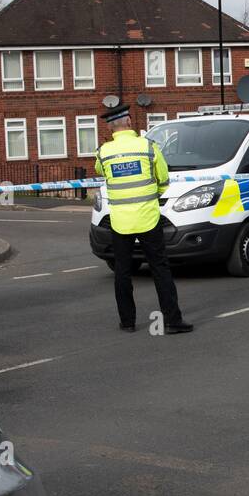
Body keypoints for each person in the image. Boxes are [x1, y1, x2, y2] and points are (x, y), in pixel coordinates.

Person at [94, 107, 192, 334]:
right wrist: (153, 193)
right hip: (148, 217)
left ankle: (127, 322)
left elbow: (101, 171)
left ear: (110, 127)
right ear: (129, 121)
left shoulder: (104, 152)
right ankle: (172, 320)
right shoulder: (148, 147)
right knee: (160, 268)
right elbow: (163, 178)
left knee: (123, 271)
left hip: (120, 222)